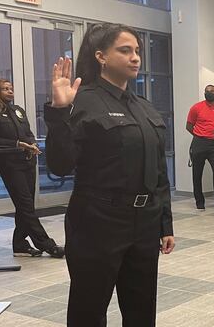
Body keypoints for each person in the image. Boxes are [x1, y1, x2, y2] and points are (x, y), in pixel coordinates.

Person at [45, 23, 175, 326]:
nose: (135, 58)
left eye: (138, 51)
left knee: (142, 309)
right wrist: (59, 112)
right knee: (89, 310)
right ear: (101, 56)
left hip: (144, 222)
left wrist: (164, 223)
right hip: (97, 221)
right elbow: (60, 165)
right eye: (125, 50)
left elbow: (158, 171)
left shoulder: (144, 107)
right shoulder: (82, 100)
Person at [0, 79, 64, 258]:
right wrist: (18, 144)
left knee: (25, 206)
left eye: (11, 88)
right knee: (26, 206)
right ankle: (47, 244)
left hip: (28, 161)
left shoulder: (17, 110)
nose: (10, 91)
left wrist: (32, 143)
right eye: (5, 89)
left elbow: (28, 133)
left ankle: (20, 243)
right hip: (10, 163)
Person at [186, 84, 214, 210]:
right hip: (199, 142)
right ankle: (199, 203)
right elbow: (189, 126)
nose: (209, 93)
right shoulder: (196, 107)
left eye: (211, 91)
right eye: (207, 91)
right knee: (196, 173)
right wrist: (199, 135)